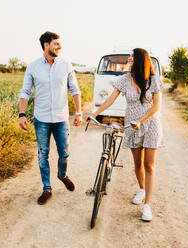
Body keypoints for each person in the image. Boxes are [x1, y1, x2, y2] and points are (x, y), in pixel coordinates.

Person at [88, 48, 163, 221]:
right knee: (137, 164)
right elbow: (110, 99)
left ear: (139, 60)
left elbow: (156, 106)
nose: (128, 60)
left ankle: (147, 205)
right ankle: (142, 189)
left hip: (150, 124)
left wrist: (141, 121)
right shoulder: (123, 80)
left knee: (149, 165)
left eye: (131, 57)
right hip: (131, 124)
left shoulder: (154, 80)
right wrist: (95, 113)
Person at [19, 31, 82, 205]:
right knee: (42, 155)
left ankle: (62, 175)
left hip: (61, 119)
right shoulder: (32, 67)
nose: (59, 47)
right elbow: (25, 92)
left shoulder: (66, 65)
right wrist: (22, 114)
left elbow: (74, 90)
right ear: (46, 45)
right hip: (42, 120)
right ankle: (47, 188)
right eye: (56, 44)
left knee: (64, 153)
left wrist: (78, 112)